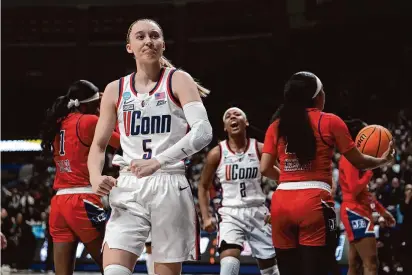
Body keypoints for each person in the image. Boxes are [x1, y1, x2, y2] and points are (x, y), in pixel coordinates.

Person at [87, 18, 213, 275]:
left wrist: (159, 161)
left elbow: (203, 132)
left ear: (163, 45)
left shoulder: (178, 80)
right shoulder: (115, 89)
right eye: (141, 36)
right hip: (129, 185)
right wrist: (94, 176)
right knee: (113, 271)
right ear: (129, 47)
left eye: (154, 36)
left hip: (168, 183)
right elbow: (98, 146)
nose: (148, 41)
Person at [260, 71, 395, 275]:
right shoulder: (330, 121)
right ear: (316, 96)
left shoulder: (276, 125)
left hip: (281, 202)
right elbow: (358, 160)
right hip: (314, 202)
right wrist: (383, 160)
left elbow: (265, 168)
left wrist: (290, 181)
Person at [40, 80, 120, 275]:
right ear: (87, 104)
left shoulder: (57, 123)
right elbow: (120, 141)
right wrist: (107, 111)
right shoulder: (89, 121)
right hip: (83, 200)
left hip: (59, 203)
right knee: (114, 268)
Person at [198, 107, 280, 275]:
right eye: (228, 116)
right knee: (228, 266)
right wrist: (206, 217)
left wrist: (277, 209)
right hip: (231, 213)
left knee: (270, 270)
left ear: (246, 122)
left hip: (258, 212)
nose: (232, 117)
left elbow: (283, 179)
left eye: (237, 114)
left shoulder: (259, 149)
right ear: (225, 127)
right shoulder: (217, 153)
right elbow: (203, 186)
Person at [339, 119, 396, 275]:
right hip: (355, 212)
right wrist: (370, 171)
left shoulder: (358, 160)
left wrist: (382, 211)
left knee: (355, 264)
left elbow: (365, 193)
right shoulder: (350, 159)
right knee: (371, 263)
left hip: (357, 210)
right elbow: (354, 189)